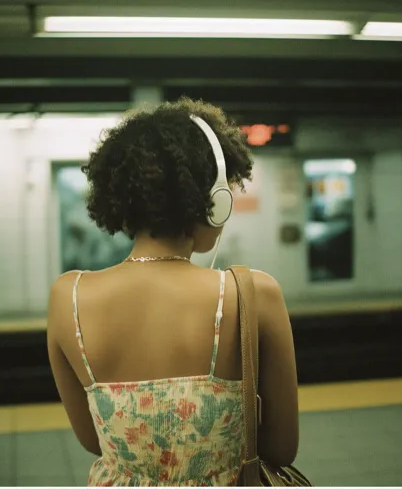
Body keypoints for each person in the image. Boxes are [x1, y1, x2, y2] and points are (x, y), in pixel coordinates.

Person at [47, 98, 300, 486]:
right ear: (213, 200)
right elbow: (282, 449)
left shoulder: (69, 297)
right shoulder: (254, 294)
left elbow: (93, 440)